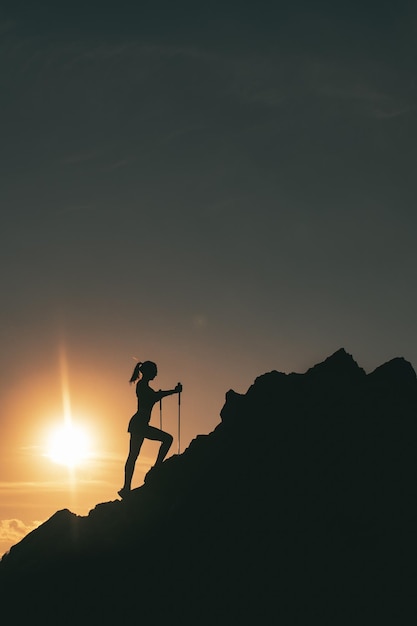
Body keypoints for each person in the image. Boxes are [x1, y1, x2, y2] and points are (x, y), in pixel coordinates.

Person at [118, 360, 182, 499]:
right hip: (139, 424)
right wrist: (173, 391)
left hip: (139, 424)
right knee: (136, 454)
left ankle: (126, 487)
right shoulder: (142, 386)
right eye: (155, 371)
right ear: (148, 372)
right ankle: (152, 470)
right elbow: (153, 397)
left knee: (134, 455)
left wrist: (167, 393)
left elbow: (153, 397)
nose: (156, 373)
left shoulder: (144, 386)